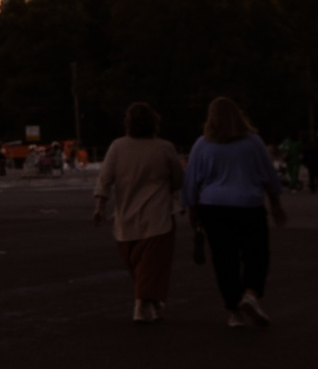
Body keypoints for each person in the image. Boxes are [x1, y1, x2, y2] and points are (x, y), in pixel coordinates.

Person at [183, 96, 288, 328]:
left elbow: (191, 181)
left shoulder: (202, 145)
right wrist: (276, 205)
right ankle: (250, 293)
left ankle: (234, 310)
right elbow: (269, 177)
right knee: (257, 253)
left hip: (213, 207)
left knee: (224, 259)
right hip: (249, 205)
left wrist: (192, 210)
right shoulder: (253, 143)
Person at [91, 103, 186, 322]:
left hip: (125, 219)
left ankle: (148, 303)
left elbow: (104, 179)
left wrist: (99, 207)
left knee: (137, 266)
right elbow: (179, 179)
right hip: (157, 217)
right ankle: (144, 303)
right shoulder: (164, 148)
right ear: (155, 124)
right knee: (154, 266)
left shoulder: (117, 147)